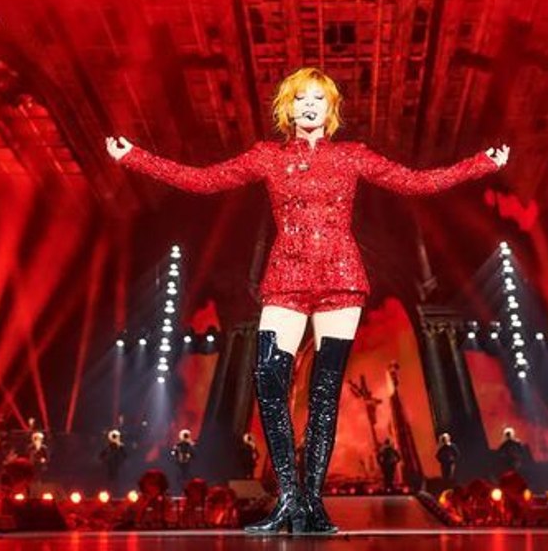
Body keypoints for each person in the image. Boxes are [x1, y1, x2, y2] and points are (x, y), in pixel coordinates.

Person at [106, 67, 509, 534]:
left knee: (324, 393)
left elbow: (416, 182)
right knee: (269, 379)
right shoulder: (267, 157)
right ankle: (288, 501)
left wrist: (483, 163)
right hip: (287, 277)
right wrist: (133, 156)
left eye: (319, 98)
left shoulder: (352, 156)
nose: (310, 105)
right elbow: (203, 180)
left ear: (331, 108)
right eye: (301, 98)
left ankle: (312, 506)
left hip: (341, 278)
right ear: (288, 108)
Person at [100, 429, 128, 493]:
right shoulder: (108, 447)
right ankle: (109, 490)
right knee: (110, 478)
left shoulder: (119, 446)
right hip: (110, 464)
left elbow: (125, 455)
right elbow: (102, 455)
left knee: (116, 478)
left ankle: (115, 490)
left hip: (117, 465)